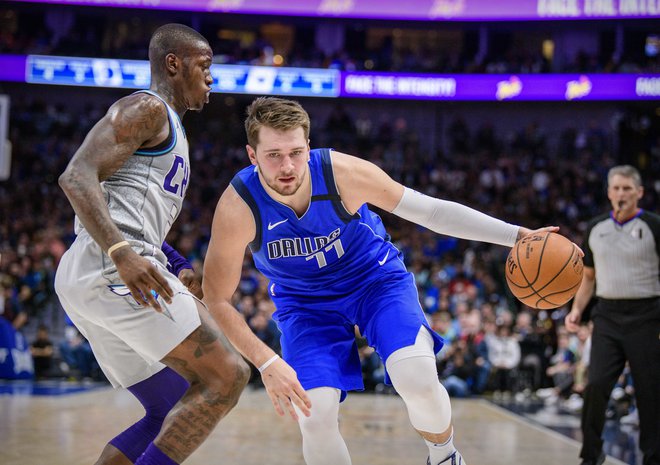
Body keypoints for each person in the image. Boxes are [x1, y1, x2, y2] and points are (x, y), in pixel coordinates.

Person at [202, 96, 558, 465]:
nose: (288, 165)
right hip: (305, 304)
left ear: (308, 146)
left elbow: (430, 210)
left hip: (374, 281)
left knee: (417, 375)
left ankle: (444, 455)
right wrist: (265, 362)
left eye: (295, 151)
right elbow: (217, 298)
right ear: (252, 155)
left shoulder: (343, 174)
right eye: (274, 154)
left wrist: (516, 235)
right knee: (314, 414)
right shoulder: (239, 206)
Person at [54, 24, 250, 465]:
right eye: (205, 66)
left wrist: (175, 262)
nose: (211, 77)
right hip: (110, 269)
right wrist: (122, 254)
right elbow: (77, 176)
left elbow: (133, 215)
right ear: (173, 64)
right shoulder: (148, 108)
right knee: (227, 377)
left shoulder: (172, 129)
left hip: (94, 276)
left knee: (168, 405)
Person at [565, 165, 660, 465]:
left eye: (627, 189)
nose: (621, 194)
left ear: (639, 192)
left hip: (647, 314)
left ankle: (653, 456)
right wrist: (577, 310)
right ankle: (591, 454)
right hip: (606, 315)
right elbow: (588, 277)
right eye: (616, 188)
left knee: (649, 391)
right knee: (595, 385)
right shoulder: (595, 228)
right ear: (608, 192)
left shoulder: (654, 226)